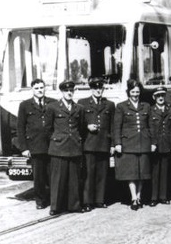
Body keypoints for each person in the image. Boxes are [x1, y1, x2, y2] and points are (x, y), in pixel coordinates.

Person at [45, 80, 86, 215]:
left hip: (74, 146)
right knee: (57, 179)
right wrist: (57, 139)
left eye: (71, 91)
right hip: (58, 147)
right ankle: (56, 207)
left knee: (74, 178)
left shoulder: (79, 108)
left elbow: (81, 127)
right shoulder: (53, 107)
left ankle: (74, 205)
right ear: (62, 92)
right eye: (66, 91)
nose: (69, 93)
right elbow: (48, 129)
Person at [17, 78, 56, 210]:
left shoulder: (53, 103)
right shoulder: (25, 105)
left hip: (52, 146)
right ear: (32, 90)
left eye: (41, 88)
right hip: (35, 147)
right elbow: (20, 128)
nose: (39, 90)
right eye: (37, 88)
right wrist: (24, 148)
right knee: (38, 177)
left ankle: (54, 200)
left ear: (45, 88)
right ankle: (40, 201)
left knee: (53, 175)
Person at [77, 76, 115, 212]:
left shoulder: (109, 105)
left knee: (102, 174)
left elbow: (113, 126)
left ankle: (100, 200)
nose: (98, 90)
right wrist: (87, 127)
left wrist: (112, 145)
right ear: (91, 89)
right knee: (88, 174)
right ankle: (87, 201)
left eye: (100, 88)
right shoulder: (82, 103)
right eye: (95, 88)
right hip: (89, 144)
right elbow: (78, 124)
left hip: (104, 143)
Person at [113, 79, 152, 211]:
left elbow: (150, 126)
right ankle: (133, 197)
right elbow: (117, 127)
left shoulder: (146, 106)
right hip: (128, 144)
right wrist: (117, 143)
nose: (135, 94)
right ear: (128, 92)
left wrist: (153, 142)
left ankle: (139, 196)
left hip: (143, 143)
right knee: (131, 173)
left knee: (142, 172)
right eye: (133, 92)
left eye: (137, 92)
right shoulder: (121, 106)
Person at [149, 86, 171, 206]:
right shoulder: (151, 110)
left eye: (162, 95)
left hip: (166, 144)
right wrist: (152, 143)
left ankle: (163, 196)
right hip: (155, 145)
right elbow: (149, 128)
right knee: (155, 172)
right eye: (158, 96)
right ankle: (154, 197)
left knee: (165, 171)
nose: (160, 98)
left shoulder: (170, 109)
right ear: (154, 97)